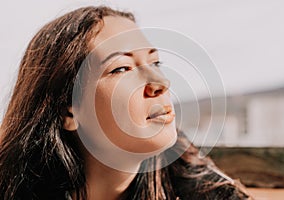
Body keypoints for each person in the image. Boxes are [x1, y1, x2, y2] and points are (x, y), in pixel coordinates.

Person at [0, 5, 252, 200]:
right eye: (121, 68)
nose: (161, 83)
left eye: (155, 63)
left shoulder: (202, 188)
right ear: (69, 111)